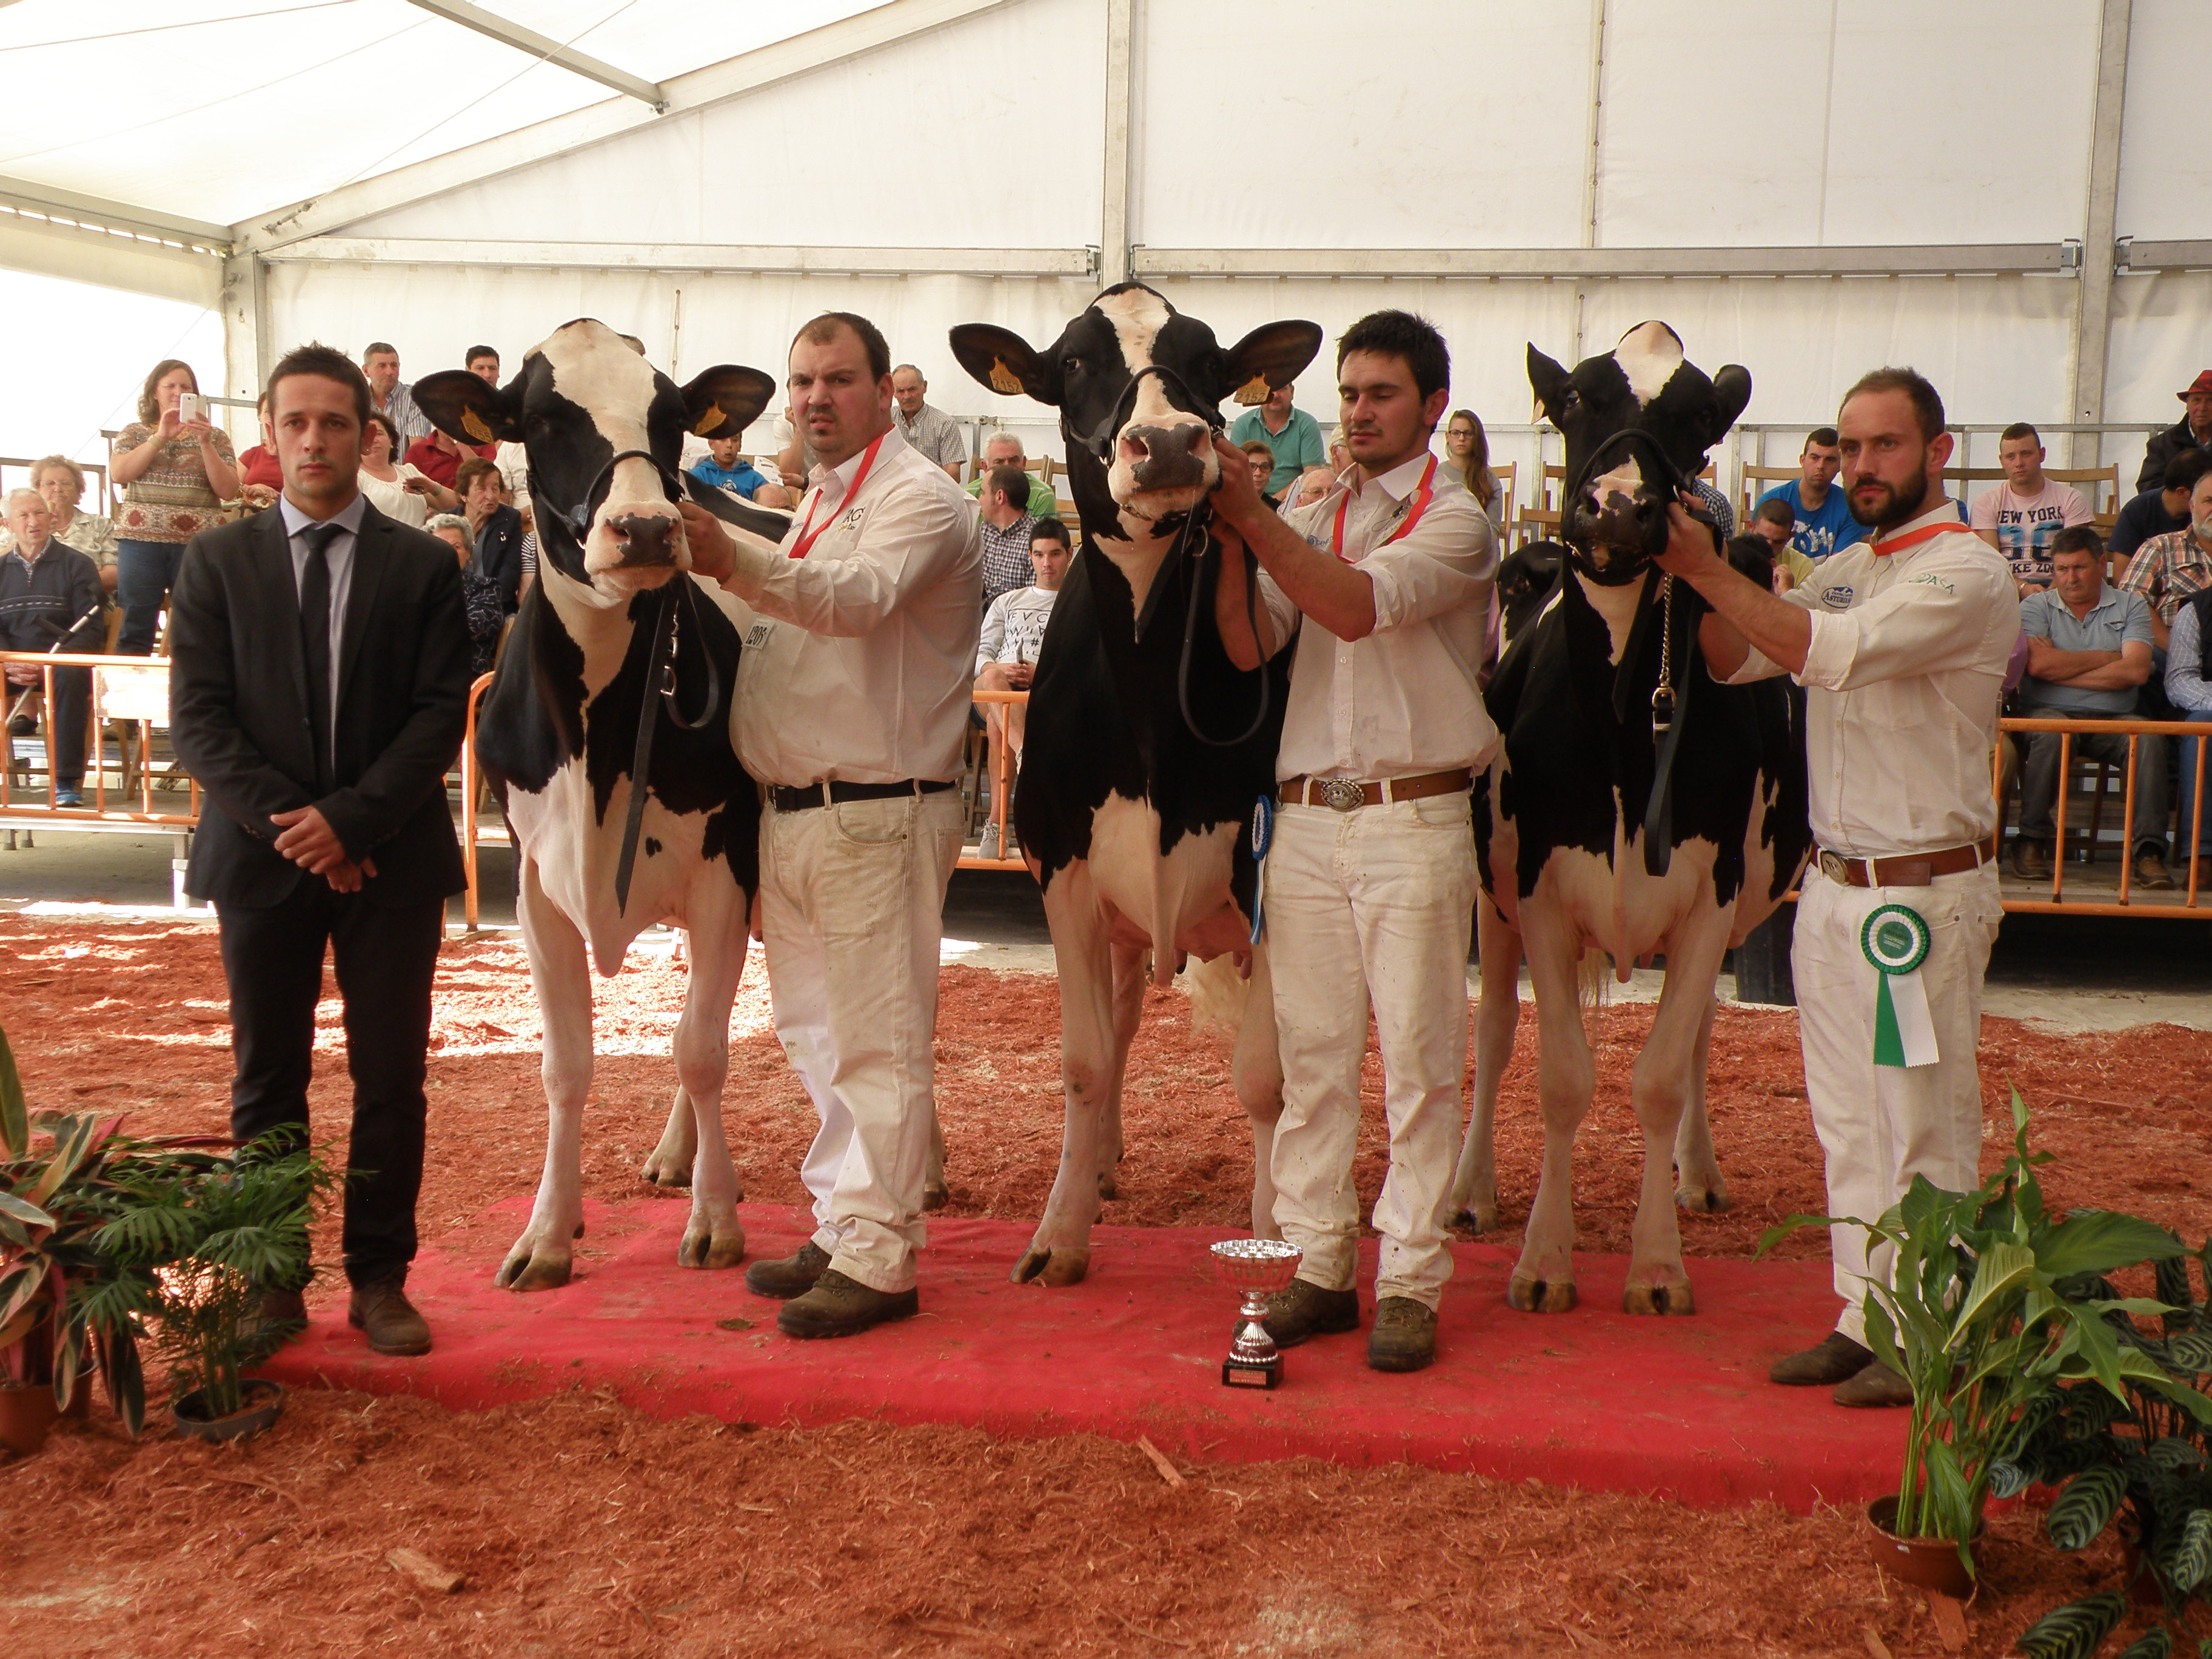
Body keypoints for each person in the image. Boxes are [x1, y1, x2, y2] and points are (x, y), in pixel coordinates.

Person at [1657, 367, 2014, 1409]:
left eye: (1885, 447)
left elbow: (1829, 654)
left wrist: (1722, 578)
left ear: (1938, 453)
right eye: (1849, 448)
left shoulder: (1964, 571)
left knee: (1918, 1115)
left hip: (1914, 897)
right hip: (1833, 885)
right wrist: (1708, 562)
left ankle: (1926, 1329)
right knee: (1848, 1119)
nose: (1861, 466)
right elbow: (1733, 657)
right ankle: (1864, 1315)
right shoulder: (1851, 563)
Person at [678, 310, 980, 1341]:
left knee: (878, 1043)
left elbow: (854, 603)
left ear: (887, 391)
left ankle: (883, 1256)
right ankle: (845, 1221)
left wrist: (728, 557)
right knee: (816, 1035)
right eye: (801, 380)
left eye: (837, 379)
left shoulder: (921, 500)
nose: (814, 398)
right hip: (798, 812)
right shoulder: (813, 500)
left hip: (877, 810)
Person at [167, 341, 471, 1359]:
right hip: (261, 863)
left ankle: (380, 1280)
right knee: (268, 1076)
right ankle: (270, 1281)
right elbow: (202, 723)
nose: (312, 438)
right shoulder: (214, 562)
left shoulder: (424, 563)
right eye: (294, 421)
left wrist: (352, 823)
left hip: (389, 863)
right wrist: (304, 831)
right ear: (267, 433)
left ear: (363, 434)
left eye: (332, 421)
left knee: (390, 1078)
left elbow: (437, 716)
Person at [1211, 309, 1497, 1375]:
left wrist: (1256, 518)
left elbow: (1353, 607)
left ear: (1430, 407)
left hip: (1412, 812)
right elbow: (1255, 639)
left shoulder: (1455, 518)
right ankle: (1320, 1266)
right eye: (1349, 393)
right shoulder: (1310, 503)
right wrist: (1228, 532)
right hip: (1306, 815)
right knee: (1314, 1059)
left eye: (1381, 394)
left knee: (1419, 1059)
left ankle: (1412, 1276)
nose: (1359, 411)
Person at [2011, 528, 2168, 888]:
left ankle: (2148, 852)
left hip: (2114, 718)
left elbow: (2136, 671)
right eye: (2061, 568)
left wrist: (2060, 666)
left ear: (2101, 563)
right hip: (2045, 714)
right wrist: (2107, 658)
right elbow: (2037, 668)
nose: (2070, 578)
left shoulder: (2131, 605)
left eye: (2079, 567)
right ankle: (2031, 841)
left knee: (2150, 739)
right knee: (2053, 733)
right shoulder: (2035, 606)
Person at [110, 358, 238, 657]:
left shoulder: (216, 436)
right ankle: (127, 699)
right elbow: (119, 474)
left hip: (197, 546)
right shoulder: (134, 433)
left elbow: (228, 489)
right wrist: (160, 437)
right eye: (170, 385)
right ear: (155, 392)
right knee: (135, 623)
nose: (178, 392)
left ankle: (192, 694)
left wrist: (204, 442)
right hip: (140, 542)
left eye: (186, 387)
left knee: (198, 624)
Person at [973, 517, 1071, 860]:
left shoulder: (1077, 605)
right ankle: (1031, 757)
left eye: (1055, 554)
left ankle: (997, 826)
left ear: (1068, 555)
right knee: (995, 685)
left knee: (1001, 724)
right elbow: (981, 656)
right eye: (1040, 554)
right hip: (998, 686)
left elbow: (1086, 663)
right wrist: (999, 668)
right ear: (1029, 556)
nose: (1047, 563)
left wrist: (1041, 674)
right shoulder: (1007, 601)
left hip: (1049, 693)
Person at [0, 489, 105, 806]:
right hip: (10, 662)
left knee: (69, 674)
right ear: (7, 523)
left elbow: (91, 624)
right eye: (24, 515)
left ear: (51, 518)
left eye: (39, 513)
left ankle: (65, 779)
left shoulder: (78, 564)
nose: (34, 522)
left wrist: (51, 660)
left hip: (60, 659)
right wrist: (8, 661)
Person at [1969, 423, 2092, 592]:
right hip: (2005, 590)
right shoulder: (1986, 502)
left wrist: (2051, 594)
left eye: (2026, 454)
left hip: (2063, 588)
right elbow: (1991, 563)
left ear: (2042, 454)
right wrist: (2022, 588)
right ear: (2001, 461)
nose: (2019, 463)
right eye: (2010, 457)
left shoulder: (2071, 498)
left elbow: (2076, 558)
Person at [2117, 469, 2212, 653]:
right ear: (2192, 506)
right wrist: (2179, 650)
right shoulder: (2160, 547)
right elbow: (2131, 603)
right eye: (2209, 501)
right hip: (2170, 653)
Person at [0, 457, 119, 595]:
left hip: (87, 604)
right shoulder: (17, 526)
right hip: (27, 605)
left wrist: (59, 586)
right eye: (50, 483)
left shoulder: (101, 525)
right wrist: (25, 539)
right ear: (37, 489)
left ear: (78, 489)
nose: (58, 489)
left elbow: (113, 576)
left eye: (65, 483)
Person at [1756, 428, 1865, 563]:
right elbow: (1755, 558)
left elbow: (1840, 569)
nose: (1821, 466)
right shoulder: (1771, 501)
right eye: (1815, 458)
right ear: (1802, 460)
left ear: (1840, 465)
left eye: (1830, 460)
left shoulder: (1851, 508)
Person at [2166, 585, 2212, 885]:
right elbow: (2179, 679)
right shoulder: (2196, 609)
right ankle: (2203, 856)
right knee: (2201, 730)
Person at [427, 512, 503, 679]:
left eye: (456, 547)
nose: (448, 553)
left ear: (468, 553)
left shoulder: (485, 587)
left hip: (462, 671)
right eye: (440, 545)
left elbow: (471, 626)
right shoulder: (417, 587)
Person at [354, 412, 455, 528]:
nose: (374, 440)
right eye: (366, 435)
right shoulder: (355, 478)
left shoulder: (409, 471)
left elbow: (456, 506)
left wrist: (432, 487)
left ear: (391, 440)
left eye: (379, 434)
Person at [1228, 379, 1326, 499]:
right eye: (1269, 389)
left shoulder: (1307, 425)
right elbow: (1235, 472)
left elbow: (1312, 475)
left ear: (1292, 391)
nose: (1275, 395)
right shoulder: (1243, 425)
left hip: (1295, 503)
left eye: (1282, 388)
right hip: (1250, 502)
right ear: (1260, 393)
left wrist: (1274, 503)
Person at [2111, 451, 2211, 566]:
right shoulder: (2137, 511)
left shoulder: (2205, 516)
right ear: (2182, 492)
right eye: (2209, 499)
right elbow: (2120, 576)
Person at [456, 457, 525, 615]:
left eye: (495, 489)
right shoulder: (447, 524)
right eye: (481, 489)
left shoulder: (509, 519)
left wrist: (485, 607)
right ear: (463, 494)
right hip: (454, 607)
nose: (491, 496)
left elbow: (510, 574)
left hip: (493, 607)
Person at [2135, 370, 2212, 494]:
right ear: (2187, 405)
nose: (2202, 408)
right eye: (2197, 400)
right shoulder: (2161, 445)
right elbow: (2148, 486)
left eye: (2210, 401)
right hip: (2177, 512)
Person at [976, 461, 1041, 608]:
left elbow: (1037, 604)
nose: (979, 500)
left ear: (1000, 497)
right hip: (985, 617)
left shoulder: (1036, 541)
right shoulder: (985, 530)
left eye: (983, 492)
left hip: (1019, 621)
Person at [890, 364, 969, 478]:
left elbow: (953, 475)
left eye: (912, 389)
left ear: (924, 387)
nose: (907, 396)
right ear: (893, 392)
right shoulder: (886, 420)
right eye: (901, 391)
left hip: (933, 491)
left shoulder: (945, 424)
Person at [962, 431, 1056, 518]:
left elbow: (1043, 536)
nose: (1007, 467)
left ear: (1024, 463)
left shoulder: (1041, 495)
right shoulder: (967, 496)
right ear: (985, 466)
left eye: (1013, 461)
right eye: (999, 462)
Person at [688, 431, 791, 508]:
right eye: (723, 439)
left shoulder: (754, 479)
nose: (729, 445)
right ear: (711, 443)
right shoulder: (698, 476)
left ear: (740, 445)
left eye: (734, 440)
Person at [361, 342, 431, 446]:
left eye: (394, 366)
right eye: (382, 366)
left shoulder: (415, 398)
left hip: (405, 463)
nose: (390, 372)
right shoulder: (358, 400)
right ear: (366, 370)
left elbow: (417, 452)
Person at [1441, 409, 1501, 523]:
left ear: (1476, 437)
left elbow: (1493, 530)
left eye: (1468, 433)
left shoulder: (1490, 481)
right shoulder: (1436, 475)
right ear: (1447, 436)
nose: (1462, 438)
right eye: (1456, 433)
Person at [1749, 500, 1818, 591]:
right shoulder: (1732, 556)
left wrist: (1786, 591)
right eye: (1762, 538)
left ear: (1790, 537)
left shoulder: (1803, 567)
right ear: (1751, 527)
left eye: (1778, 542)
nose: (1769, 546)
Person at [235, 392, 286, 499]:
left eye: (279, 410)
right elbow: (231, 489)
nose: (273, 416)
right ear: (259, 416)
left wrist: (277, 496)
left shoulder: (297, 454)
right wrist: (253, 488)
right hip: (252, 509)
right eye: (268, 411)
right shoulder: (251, 455)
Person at [1238, 439, 1280, 508]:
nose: (1258, 473)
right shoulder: (1225, 504)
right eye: (1251, 467)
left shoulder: (1277, 510)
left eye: (1264, 467)